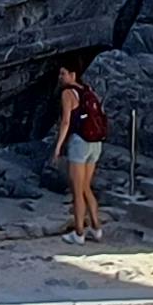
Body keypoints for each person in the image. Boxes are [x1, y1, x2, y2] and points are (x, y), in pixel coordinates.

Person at [52, 62, 108, 244]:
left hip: (79, 143)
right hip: (95, 143)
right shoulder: (88, 90)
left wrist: (58, 146)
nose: (61, 77)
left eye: (63, 73)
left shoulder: (67, 93)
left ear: (73, 74)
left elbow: (66, 121)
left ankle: (78, 233)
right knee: (86, 187)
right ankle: (97, 228)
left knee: (77, 192)